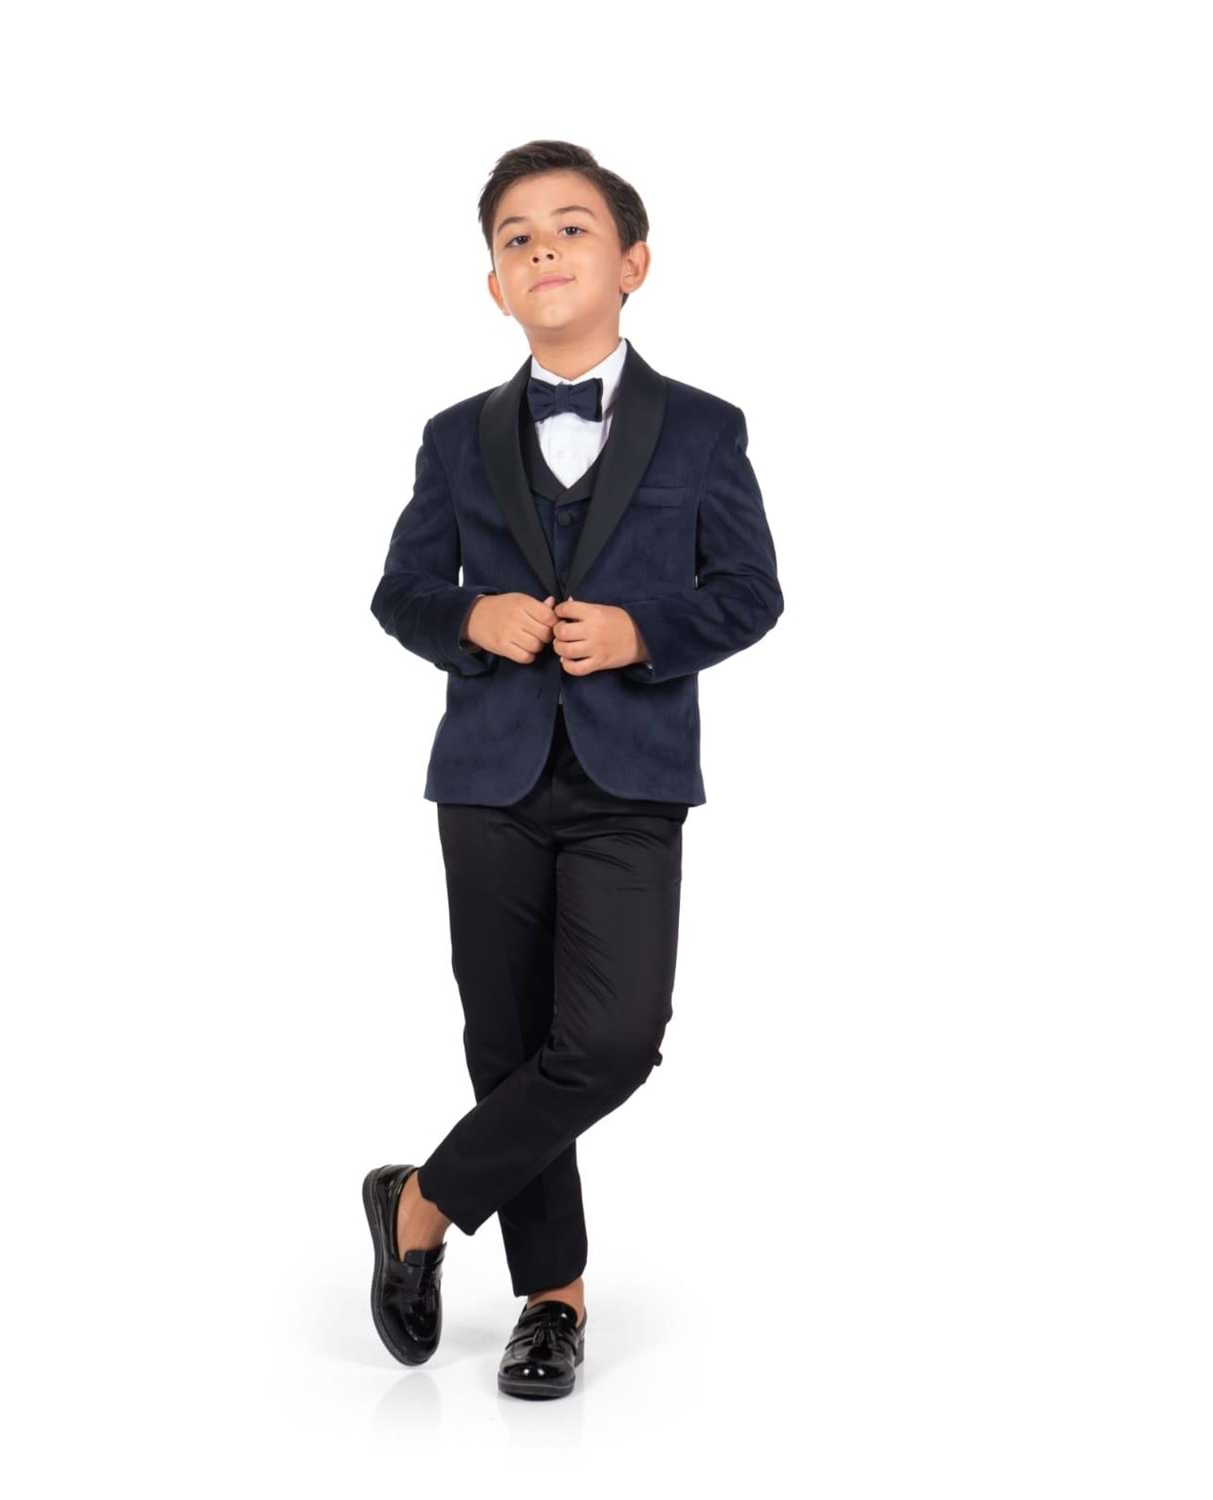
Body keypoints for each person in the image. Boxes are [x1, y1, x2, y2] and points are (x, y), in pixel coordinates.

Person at [362, 139, 783, 1399]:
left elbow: (751, 591)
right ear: (495, 285)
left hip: (629, 777)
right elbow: (399, 590)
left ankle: (421, 1202)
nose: (542, 247)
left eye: (572, 227)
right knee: (508, 1043)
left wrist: (647, 632)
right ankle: (554, 1299)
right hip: (485, 777)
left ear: (633, 263)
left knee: (613, 1040)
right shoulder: (454, 437)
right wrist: (467, 616)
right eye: (516, 238)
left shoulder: (703, 428)